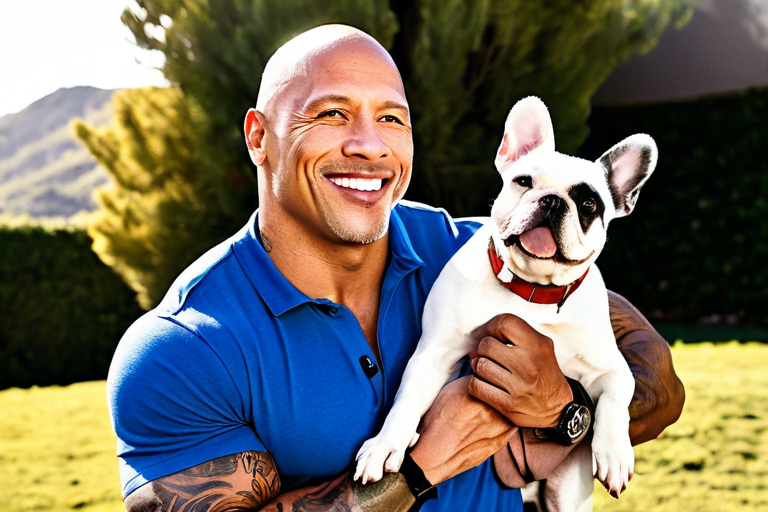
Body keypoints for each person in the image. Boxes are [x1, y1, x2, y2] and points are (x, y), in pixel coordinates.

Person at [108, 24, 684, 512]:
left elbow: (658, 382)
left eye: (392, 119)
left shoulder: (476, 250)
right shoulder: (181, 352)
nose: (370, 145)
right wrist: (420, 466)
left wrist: (562, 411)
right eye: (332, 114)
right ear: (259, 136)